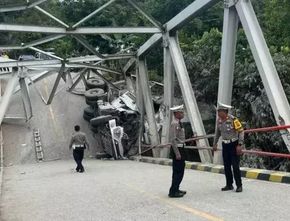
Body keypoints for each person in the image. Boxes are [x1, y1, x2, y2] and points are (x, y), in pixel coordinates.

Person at [213, 103, 244, 192]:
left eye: (220, 111)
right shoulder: (219, 121)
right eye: (218, 111)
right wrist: (215, 143)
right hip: (225, 145)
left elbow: (241, 131)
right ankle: (229, 184)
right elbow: (218, 133)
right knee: (226, 166)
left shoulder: (233, 119)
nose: (218, 113)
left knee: (235, 166)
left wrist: (240, 144)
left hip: (234, 144)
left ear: (225, 112)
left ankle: (239, 185)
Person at [168, 105, 187, 198]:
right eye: (181, 112)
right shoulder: (174, 124)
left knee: (179, 170)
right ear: (176, 113)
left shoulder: (179, 122)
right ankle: (173, 191)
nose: (183, 113)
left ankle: (176, 189)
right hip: (177, 149)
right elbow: (173, 139)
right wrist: (177, 153)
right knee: (178, 171)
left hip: (181, 148)